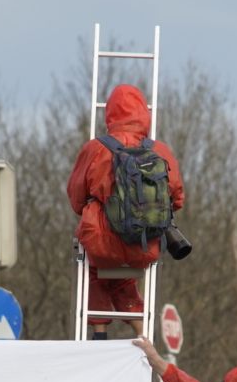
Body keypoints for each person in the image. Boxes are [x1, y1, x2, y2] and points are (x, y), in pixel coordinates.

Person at [66, 83, 185, 338]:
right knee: (122, 270)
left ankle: (99, 331)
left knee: (96, 265)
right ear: (145, 113)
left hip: (102, 244)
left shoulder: (95, 149)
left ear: (109, 114)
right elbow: (177, 199)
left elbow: (76, 199)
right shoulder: (160, 151)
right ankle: (141, 331)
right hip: (145, 247)